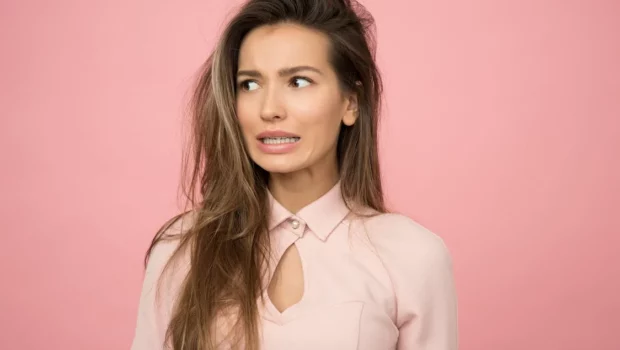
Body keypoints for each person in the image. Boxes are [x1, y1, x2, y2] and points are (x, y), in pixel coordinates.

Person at [130, 0, 458, 349]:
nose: (269, 109)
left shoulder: (412, 255)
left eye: (298, 81)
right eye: (250, 85)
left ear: (350, 102)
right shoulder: (182, 249)